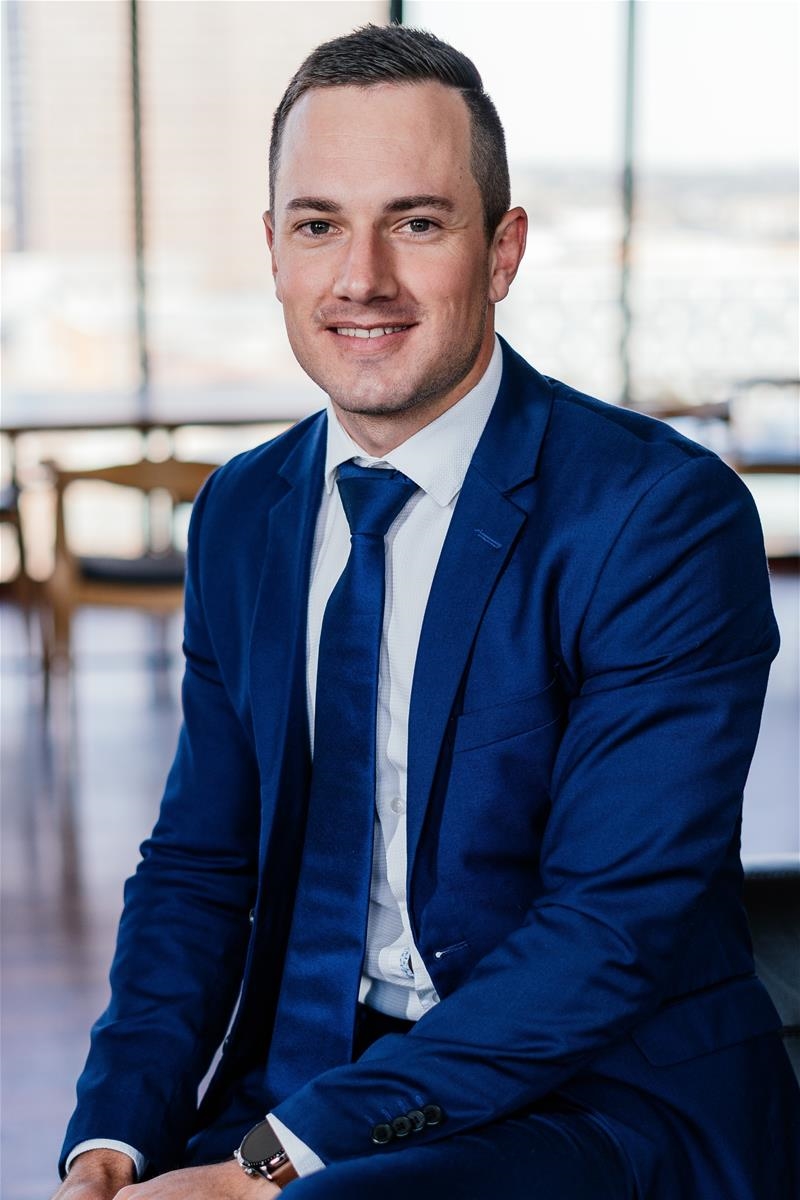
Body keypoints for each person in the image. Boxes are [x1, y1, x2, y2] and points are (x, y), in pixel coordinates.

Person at [53, 23, 799, 1200]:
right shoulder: (243, 512)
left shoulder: (656, 516)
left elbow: (606, 933)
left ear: (500, 252)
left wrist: (269, 1163)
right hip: (308, 1071)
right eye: (318, 226)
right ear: (272, 249)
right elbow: (199, 864)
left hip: (598, 1098)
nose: (361, 279)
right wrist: (115, 1136)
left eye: (414, 222)